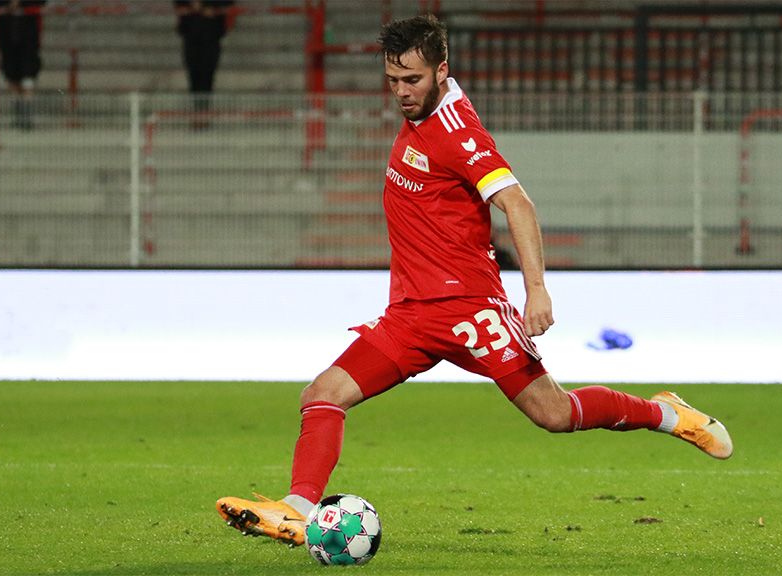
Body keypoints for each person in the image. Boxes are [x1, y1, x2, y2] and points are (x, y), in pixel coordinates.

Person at [216, 14, 733, 547]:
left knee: (555, 414)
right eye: (392, 80)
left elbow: (517, 203)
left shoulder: (458, 133)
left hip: (470, 309)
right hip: (412, 315)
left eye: (412, 80)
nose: (401, 92)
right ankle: (298, 510)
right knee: (322, 394)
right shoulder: (423, 109)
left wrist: (536, 289)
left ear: (442, 70)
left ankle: (666, 414)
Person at [0, 0, 47, 130]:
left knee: (28, 74)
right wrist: (8, 4)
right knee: (11, 75)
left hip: (28, 36)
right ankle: (19, 114)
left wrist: (19, 2)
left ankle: (26, 114)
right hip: (7, 35)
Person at [173, 0, 234, 123]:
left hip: (210, 38)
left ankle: (204, 115)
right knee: (194, 78)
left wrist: (209, 7)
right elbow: (179, 7)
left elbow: (228, 5)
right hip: (191, 37)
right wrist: (191, 7)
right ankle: (196, 115)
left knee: (207, 78)